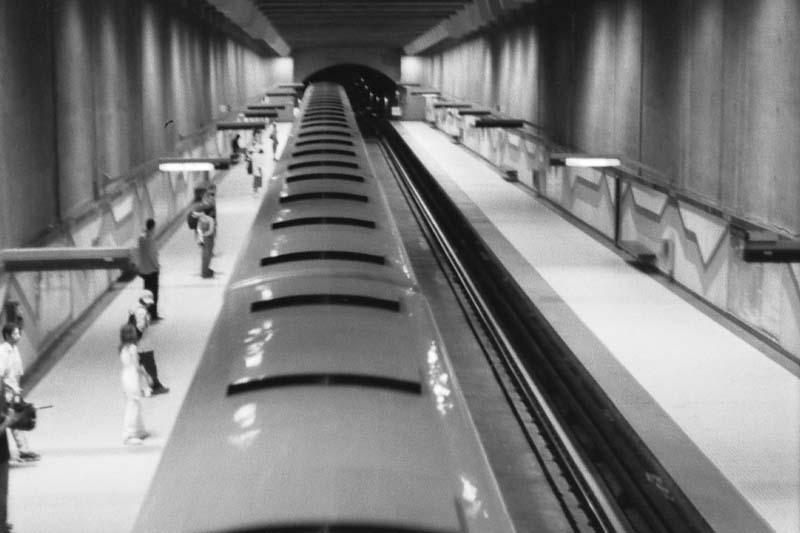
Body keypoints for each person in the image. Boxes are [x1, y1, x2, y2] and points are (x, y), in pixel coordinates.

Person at [0, 323, 39, 463]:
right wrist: (9, 391)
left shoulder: (14, 349)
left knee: (15, 419)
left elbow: (17, 372)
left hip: (14, 391)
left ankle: (23, 450)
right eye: (15, 334)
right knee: (11, 420)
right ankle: (21, 451)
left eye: (18, 333)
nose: (18, 336)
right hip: (6, 394)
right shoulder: (3, 352)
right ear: (7, 335)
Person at [129, 291, 169, 395]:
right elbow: (140, 326)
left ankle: (133, 387)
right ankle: (156, 386)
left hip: (137, 344)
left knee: (137, 366)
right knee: (150, 365)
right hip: (143, 345)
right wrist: (137, 338)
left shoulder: (134, 309)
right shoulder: (142, 312)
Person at [119, 323, 150, 445]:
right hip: (132, 377)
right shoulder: (132, 348)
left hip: (127, 375)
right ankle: (129, 434)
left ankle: (140, 430)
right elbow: (137, 366)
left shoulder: (123, 348)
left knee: (136, 403)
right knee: (133, 404)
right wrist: (147, 376)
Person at [0, 387, 21, 533]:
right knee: (1, 494)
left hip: (3, 454)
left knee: (3, 493)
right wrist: (8, 421)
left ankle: (2, 523)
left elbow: (9, 419)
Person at [137, 218, 162, 321]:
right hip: (152, 270)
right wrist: (157, 266)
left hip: (144, 270)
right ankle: (154, 315)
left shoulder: (141, 239)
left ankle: (146, 313)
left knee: (146, 292)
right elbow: (153, 256)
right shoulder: (151, 240)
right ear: (153, 227)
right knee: (154, 294)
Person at [193, 207, 216, 278]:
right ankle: (205, 272)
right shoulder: (205, 220)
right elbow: (209, 231)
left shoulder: (205, 220)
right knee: (206, 256)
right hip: (206, 240)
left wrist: (202, 236)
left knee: (205, 256)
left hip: (205, 240)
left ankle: (205, 271)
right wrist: (202, 236)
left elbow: (209, 230)